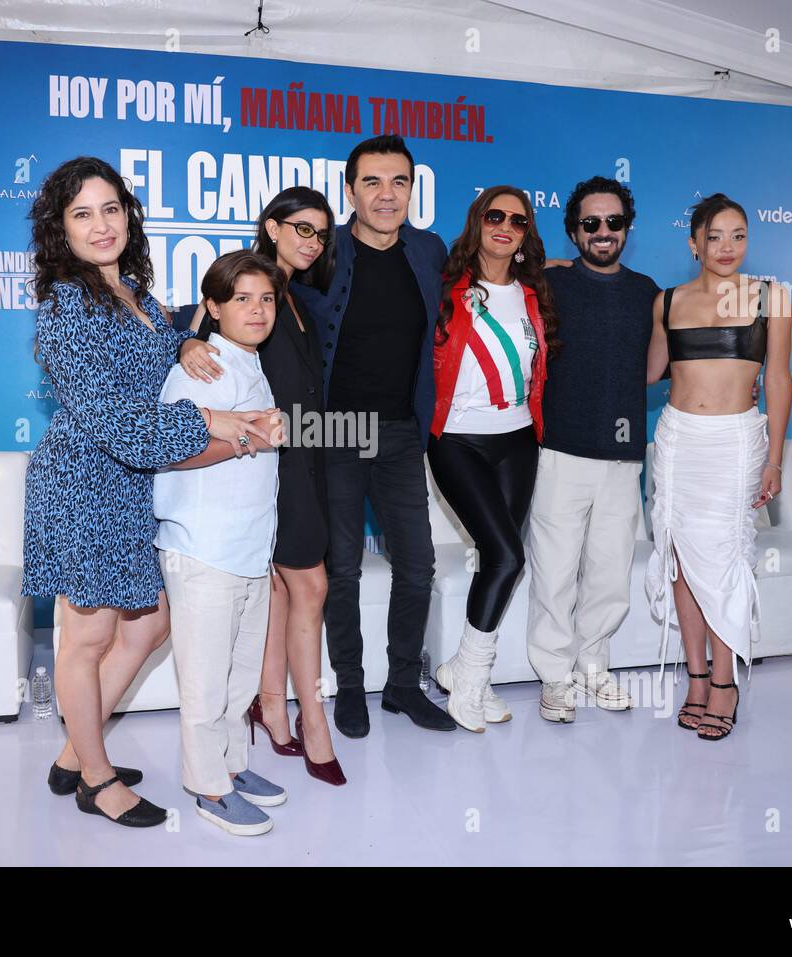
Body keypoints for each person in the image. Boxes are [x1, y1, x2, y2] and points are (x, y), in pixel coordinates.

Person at [21, 157, 275, 829]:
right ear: (61, 230)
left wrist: (188, 341)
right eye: (82, 214)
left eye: (111, 209)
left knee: (150, 623)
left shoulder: (132, 289)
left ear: (129, 214)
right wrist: (211, 419)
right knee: (88, 636)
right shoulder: (66, 307)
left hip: (133, 487)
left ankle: (77, 749)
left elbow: (158, 351)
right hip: (85, 482)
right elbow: (112, 419)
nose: (101, 225)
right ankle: (95, 777)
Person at [176, 187, 345, 785]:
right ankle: (310, 719)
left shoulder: (293, 299)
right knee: (310, 585)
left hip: (298, 459)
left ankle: (271, 706)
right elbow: (187, 330)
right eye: (300, 228)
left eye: (320, 233)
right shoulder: (245, 287)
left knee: (276, 592)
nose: (311, 241)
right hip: (271, 462)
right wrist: (186, 342)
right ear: (270, 227)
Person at [292, 135, 456, 737]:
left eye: (399, 183)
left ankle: (404, 687)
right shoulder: (323, 249)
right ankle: (351, 687)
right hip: (334, 428)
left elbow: (483, 280)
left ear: (412, 188)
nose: (386, 195)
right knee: (344, 569)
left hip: (401, 430)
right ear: (350, 190)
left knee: (417, 564)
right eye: (372, 183)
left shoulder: (429, 249)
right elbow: (252, 284)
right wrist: (193, 327)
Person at [645, 192, 792, 741]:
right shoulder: (667, 302)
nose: (727, 248)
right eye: (715, 237)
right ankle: (697, 678)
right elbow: (648, 371)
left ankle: (727, 683)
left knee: (725, 558)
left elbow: (778, 378)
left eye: (738, 236)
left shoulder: (771, 297)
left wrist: (774, 458)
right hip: (679, 439)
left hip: (735, 443)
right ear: (694, 242)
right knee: (681, 557)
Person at [154, 250, 289, 835]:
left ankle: (231, 765)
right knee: (206, 680)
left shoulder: (251, 363)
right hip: (203, 547)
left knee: (239, 675)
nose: (257, 311)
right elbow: (167, 449)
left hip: (248, 549)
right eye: (242, 299)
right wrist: (248, 442)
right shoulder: (199, 367)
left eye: (266, 299)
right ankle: (207, 784)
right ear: (212, 307)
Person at [525, 176, 660, 724]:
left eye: (613, 222)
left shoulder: (648, 291)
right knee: (554, 574)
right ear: (573, 231)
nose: (603, 232)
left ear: (627, 228)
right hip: (559, 452)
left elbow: (654, 369)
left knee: (609, 572)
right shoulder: (546, 285)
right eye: (590, 223)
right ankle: (554, 678)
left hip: (623, 456)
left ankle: (594, 667)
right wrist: (547, 268)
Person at [427, 186, 558, 732]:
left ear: (527, 235)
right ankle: (474, 680)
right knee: (507, 557)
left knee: (496, 558)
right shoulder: (443, 289)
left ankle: (461, 670)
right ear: (477, 222)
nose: (505, 226)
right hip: (457, 439)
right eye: (495, 215)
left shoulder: (534, 295)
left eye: (518, 221)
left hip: (518, 441)